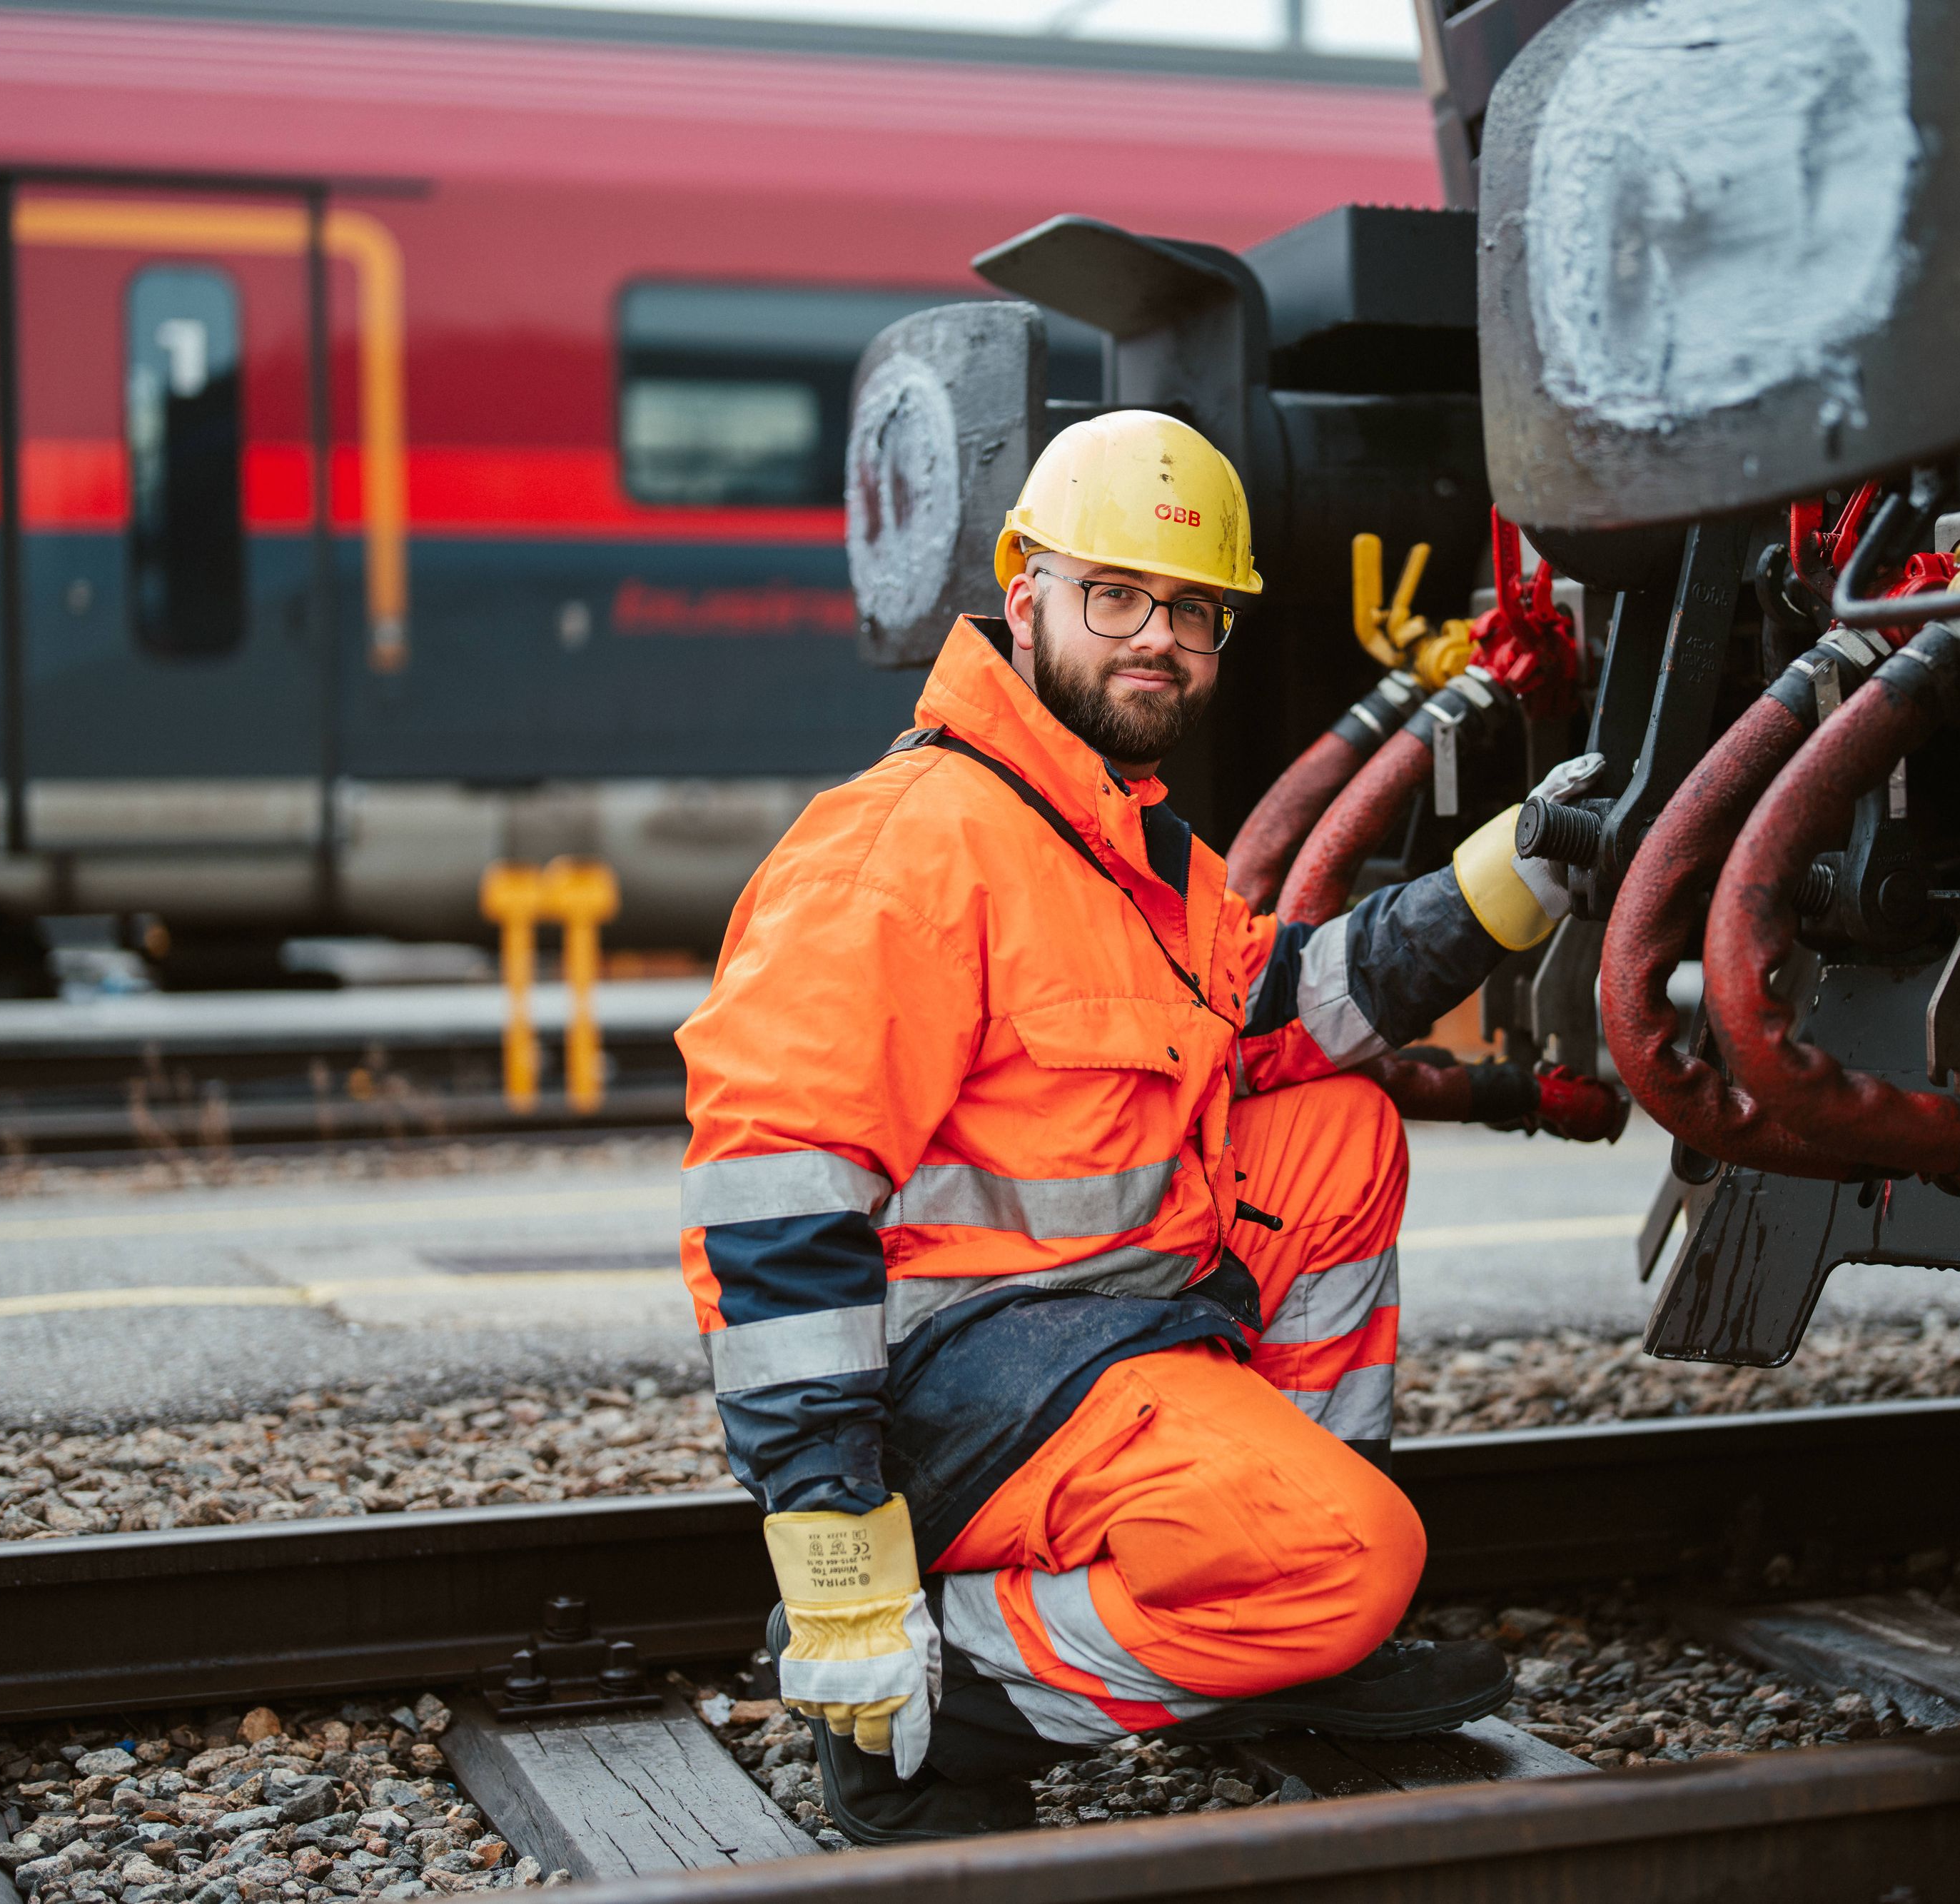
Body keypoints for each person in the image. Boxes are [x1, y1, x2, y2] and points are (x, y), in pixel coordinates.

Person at [676, 410, 1577, 1841]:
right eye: (1117, 596)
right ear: (1021, 591)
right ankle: (940, 1696)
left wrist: (1496, 886)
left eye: (1191, 610)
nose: (1157, 637)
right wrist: (838, 1555)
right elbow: (773, 1199)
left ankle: (1276, 1628)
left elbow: (1278, 1008)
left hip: (1098, 1331)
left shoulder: (1120, 844)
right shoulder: (903, 845)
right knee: (1354, 1558)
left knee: (1334, 1121)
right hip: (956, 1389)